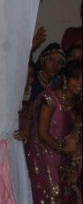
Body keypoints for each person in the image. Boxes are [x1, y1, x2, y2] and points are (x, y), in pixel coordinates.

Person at [24, 60, 82, 204]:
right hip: (43, 157)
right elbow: (42, 133)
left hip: (65, 159)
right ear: (65, 79)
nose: (80, 83)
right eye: (76, 78)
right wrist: (63, 149)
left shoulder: (77, 103)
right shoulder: (50, 99)